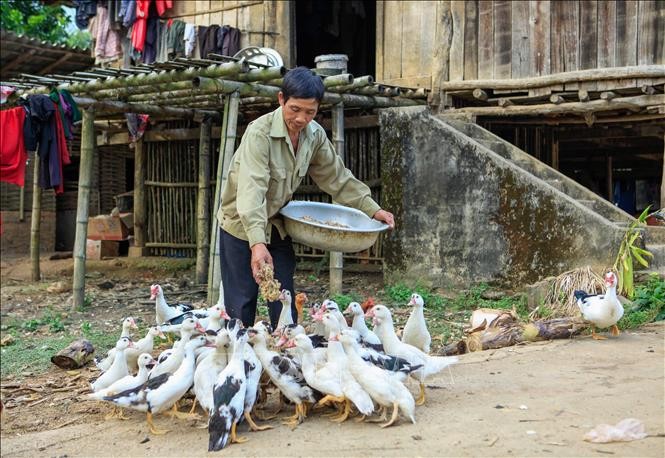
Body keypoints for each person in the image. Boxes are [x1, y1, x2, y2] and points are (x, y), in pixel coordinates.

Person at [217, 67, 395, 329]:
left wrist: (371, 208)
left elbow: (336, 177)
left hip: (277, 222)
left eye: (310, 112)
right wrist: (256, 244)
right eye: (295, 109)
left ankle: (285, 356)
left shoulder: (314, 136)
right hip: (240, 225)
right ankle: (238, 360)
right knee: (242, 303)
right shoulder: (259, 134)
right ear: (281, 100)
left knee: (284, 299)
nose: (301, 118)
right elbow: (251, 192)